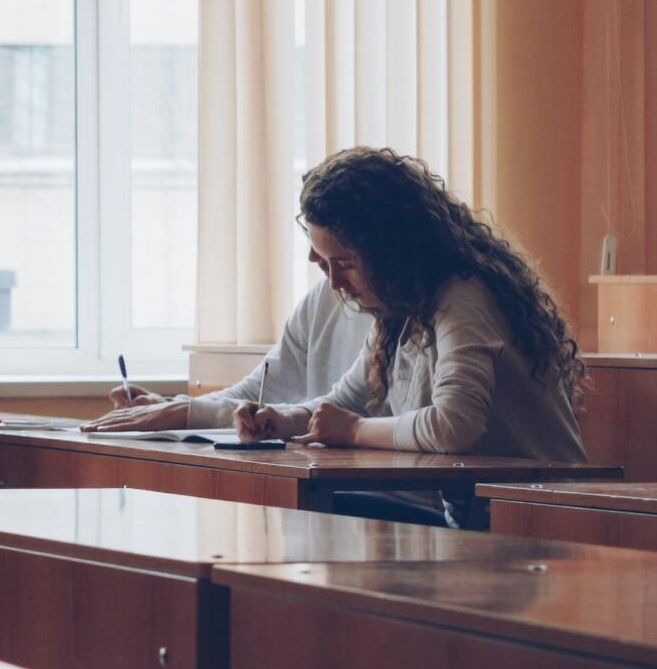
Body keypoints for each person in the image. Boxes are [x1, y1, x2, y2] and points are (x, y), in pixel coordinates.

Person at [233, 147, 587, 522]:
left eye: (347, 264)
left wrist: (353, 431)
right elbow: (346, 401)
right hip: (480, 515)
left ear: (391, 252)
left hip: (544, 517)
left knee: (331, 523)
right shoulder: (400, 308)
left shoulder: (464, 295)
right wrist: (283, 421)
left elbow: (454, 426)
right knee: (310, 515)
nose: (336, 283)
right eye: (326, 266)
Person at [88, 280, 372, 432]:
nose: (313, 256)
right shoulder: (325, 294)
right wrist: (173, 407)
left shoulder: (394, 311)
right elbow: (261, 391)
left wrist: (189, 413)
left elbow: (352, 413)